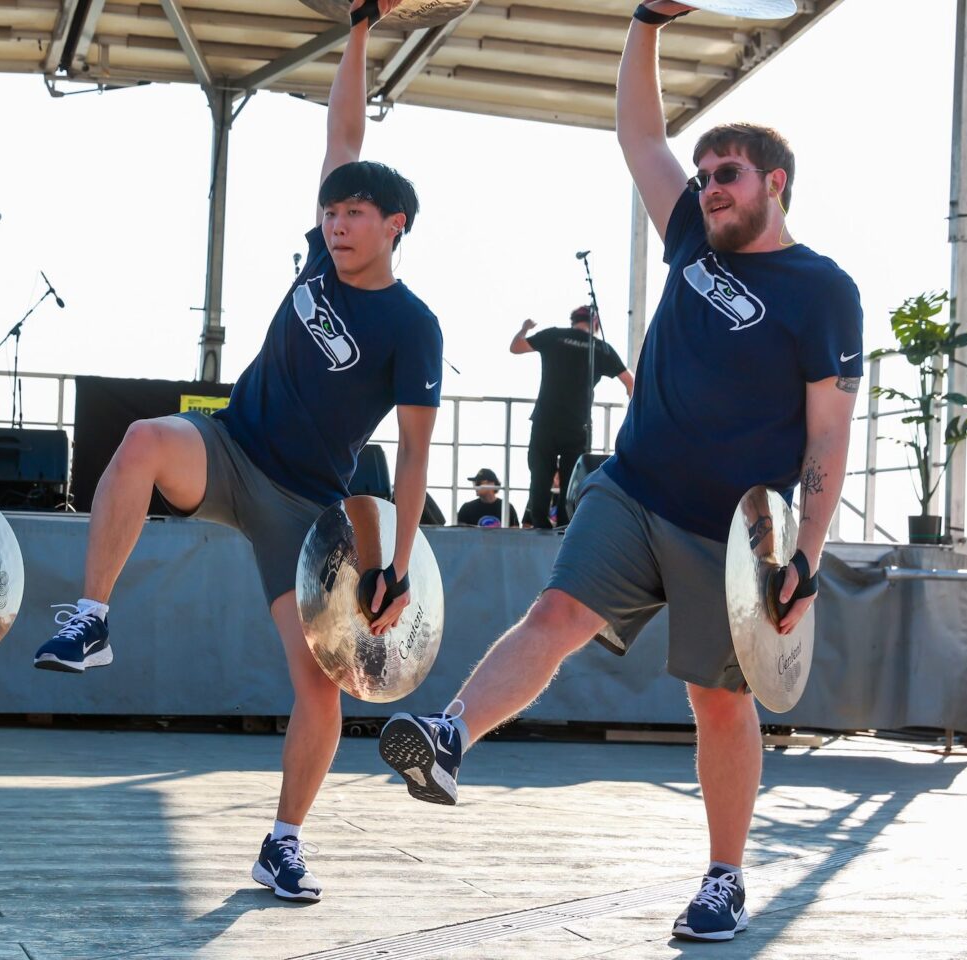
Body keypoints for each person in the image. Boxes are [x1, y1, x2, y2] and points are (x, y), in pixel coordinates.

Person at [377, 0, 863, 944]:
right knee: (554, 615)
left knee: (716, 699)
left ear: (777, 183)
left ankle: (724, 878)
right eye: (706, 172)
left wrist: (806, 554)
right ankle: (448, 739)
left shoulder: (823, 290)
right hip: (633, 488)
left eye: (728, 174)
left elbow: (828, 436)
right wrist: (646, 22)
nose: (710, 186)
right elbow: (639, 131)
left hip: (733, 538)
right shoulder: (689, 233)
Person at [31, 0, 441, 903]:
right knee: (141, 441)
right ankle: (90, 620)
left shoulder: (414, 327)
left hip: (304, 510)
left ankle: (284, 842)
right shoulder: (317, 262)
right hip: (227, 444)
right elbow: (344, 129)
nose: (337, 224)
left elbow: (412, 458)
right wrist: (361, 28)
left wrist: (400, 562)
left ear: (396, 225)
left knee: (320, 690)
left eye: (358, 213)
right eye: (331, 211)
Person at [513, 306, 633, 528]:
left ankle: (539, 521)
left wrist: (524, 329)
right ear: (595, 325)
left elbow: (516, 347)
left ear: (572, 321)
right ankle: (565, 525)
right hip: (578, 424)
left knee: (540, 474)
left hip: (545, 420)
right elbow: (630, 381)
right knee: (572, 479)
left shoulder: (554, 335)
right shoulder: (600, 348)